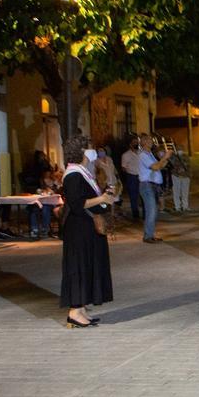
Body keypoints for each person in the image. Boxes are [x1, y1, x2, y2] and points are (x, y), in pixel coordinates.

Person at [59, 135, 119, 328]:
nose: (93, 150)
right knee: (79, 266)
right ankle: (74, 311)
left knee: (88, 265)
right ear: (82, 151)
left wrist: (104, 198)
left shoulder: (83, 172)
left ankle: (81, 308)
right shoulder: (73, 175)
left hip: (87, 228)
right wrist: (101, 199)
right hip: (79, 230)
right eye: (89, 147)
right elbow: (77, 203)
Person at [137, 134, 171, 243]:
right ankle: (148, 236)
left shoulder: (149, 153)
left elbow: (160, 166)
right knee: (151, 211)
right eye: (149, 140)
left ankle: (150, 234)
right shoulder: (143, 155)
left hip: (153, 186)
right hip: (147, 186)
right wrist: (165, 158)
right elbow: (155, 167)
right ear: (144, 142)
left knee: (153, 211)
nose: (152, 142)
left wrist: (166, 158)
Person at [120, 138, 141, 218]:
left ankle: (145, 214)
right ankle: (135, 214)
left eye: (137, 142)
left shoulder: (141, 153)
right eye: (134, 142)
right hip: (132, 177)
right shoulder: (125, 155)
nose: (136, 144)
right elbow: (123, 167)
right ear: (130, 144)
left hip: (142, 176)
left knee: (143, 195)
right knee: (133, 196)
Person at [168, 148, 191, 212]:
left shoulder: (185, 156)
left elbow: (188, 166)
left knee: (184, 192)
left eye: (181, 147)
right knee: (177, 192)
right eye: (179, 148)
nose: (180, 150)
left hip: (185, 176)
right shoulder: (173, 156)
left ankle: (184, 206)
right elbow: (171, 165)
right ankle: (178, 206)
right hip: (177, 176)